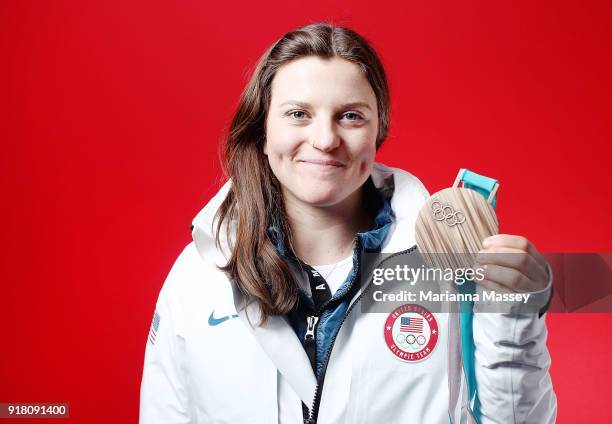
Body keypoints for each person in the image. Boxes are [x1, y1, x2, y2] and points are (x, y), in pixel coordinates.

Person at [139, 22, 557, 423]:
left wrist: (514, 311)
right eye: (298, 114)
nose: (325, 139)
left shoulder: (447, 268)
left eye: (351, 116)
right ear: (263, 131)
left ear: (379, 131)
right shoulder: (199, 273)